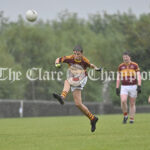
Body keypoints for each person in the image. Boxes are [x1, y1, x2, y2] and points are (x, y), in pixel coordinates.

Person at [53, 45, 101, 132]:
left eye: (78, 54)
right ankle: (93, 119)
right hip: (74, 78)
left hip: (82, 78)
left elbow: (91, 65)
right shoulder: (70, 58)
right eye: (75, 53)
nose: (76, 55)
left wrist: (97, 69)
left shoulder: (84, 60)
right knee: (78, 104)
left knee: (67, 81)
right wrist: (57, 64)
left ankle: (62, 97)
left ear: (82, 54)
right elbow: (58, 59)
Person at [116, 51, 141, 124]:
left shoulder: (135, 65)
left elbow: (138, 75)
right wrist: (117, 87)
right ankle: (125, 115)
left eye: (126, 57)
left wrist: (139, 85)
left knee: (132, 103)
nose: (125, 58)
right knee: (123, 101)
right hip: (124, 86)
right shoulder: (120, 66)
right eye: (124, 57)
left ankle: (131, 119)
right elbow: (118, 77)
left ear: (130, 57)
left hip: (133, 86)